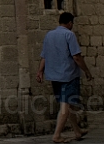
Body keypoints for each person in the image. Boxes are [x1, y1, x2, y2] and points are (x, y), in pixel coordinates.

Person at [37, 12, 93, 143]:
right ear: (70, 23)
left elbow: (44, 56)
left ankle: (77, 131)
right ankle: (57, 135)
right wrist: (87, 71)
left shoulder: (49, 35)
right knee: (66, 105)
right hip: (68, 75)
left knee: (68, 104)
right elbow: (76, 57)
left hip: (54, 76)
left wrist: (40, 71)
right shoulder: (69, 34)